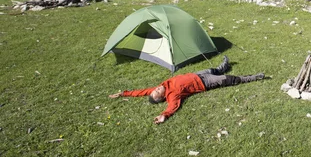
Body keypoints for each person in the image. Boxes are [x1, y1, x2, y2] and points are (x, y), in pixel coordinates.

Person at [108, 56, 264, 124]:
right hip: (205, 83)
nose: (156, 88)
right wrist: (164, 115)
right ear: (161, 97)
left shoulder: (163, 86)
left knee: (214, 69)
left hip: (197, 74)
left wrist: (123, 93)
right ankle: (254, 77)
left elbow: (141, 92)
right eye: (156, 92)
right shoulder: (172, 95)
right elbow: (172, 107)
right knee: (229, 79)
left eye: (154, 90)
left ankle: (224, 64)